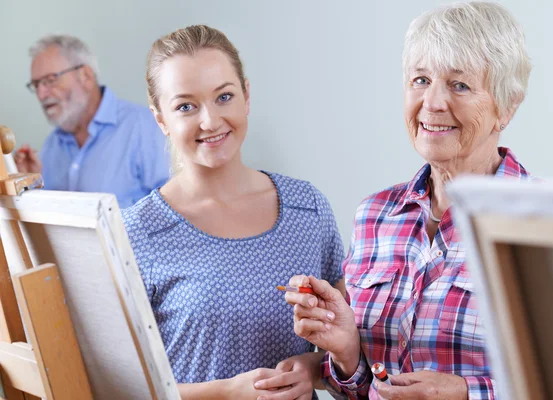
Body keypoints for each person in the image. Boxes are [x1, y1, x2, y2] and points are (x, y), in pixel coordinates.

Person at [282, 2, 533, 399]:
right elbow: (364, 388)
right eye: (420, 80)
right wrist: (346, 352)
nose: (432, 103)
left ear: (507, 105)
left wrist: (467, 393)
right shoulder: (375, 215)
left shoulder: (541, 224)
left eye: (459, 85)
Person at [122, 25, 345, 400]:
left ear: (246, 96)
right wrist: (226, 392)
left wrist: (314, 368)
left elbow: (348, 342)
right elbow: (115, 386)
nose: (209, 121)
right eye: (185, 107)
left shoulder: (308, 208)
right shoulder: (134, 233)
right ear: (160, 119)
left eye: (223, 96)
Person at [17, 34, 169, 208]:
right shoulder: (51, 146)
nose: (41, 94)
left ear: (86, 76)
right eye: (36, 85)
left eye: (50, 80)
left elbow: (175, 212)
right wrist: (30, 185)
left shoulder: (146, 127)